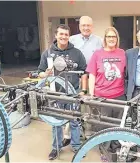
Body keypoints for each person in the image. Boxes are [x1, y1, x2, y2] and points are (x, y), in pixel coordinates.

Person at [37, 24, 87, 160]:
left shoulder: (77, 53)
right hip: (55, 94)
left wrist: (83, 90)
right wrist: (45, 74)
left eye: (66, 34)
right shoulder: (47, 53)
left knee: (75, 121)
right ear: (56, 35)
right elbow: (39, 73)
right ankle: (56, 147)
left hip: (73, 93)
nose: (64, 37)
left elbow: (84, 72)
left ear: (69, 36)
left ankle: (77, 146)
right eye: (61, 34)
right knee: (56, 122)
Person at [86, 26, 127, 162]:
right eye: (109, 37)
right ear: (105, 39)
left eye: (113, 37)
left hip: (119, 95)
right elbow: (91, 74)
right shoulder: (98, 54)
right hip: (102, 96)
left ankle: (115, 148)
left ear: (117, 39)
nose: (111, 39)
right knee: (103, 126)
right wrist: (91, 94)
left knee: (118, 125)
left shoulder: (122, 53)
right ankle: (104, 151)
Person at [62, 16, 103, 146]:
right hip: (74, 78)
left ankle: (90, 133)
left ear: (92, 26)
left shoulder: (99, 41)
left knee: (92, 106)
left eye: (88, 25)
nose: (86, 28)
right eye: (83, 25)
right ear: (79, 26)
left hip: (92, 78)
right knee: (72, 106)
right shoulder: (72, 39)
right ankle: (67, 134)